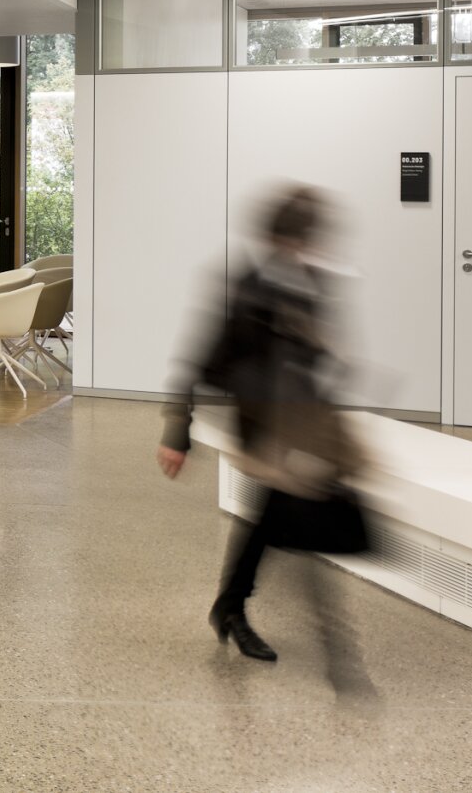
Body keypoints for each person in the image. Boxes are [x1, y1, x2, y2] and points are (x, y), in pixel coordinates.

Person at [156, 184, 370, 696]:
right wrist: (177, 433)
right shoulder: (248, 287)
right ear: (280, 237)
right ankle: (339, 656)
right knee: (291, 514)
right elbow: (199, 360)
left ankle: (231, 607)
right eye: (301, 237)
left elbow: (317, 354)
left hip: (307, 422)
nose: (308, 247)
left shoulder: (314, 282)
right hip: (266, 428)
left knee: (272, 518)